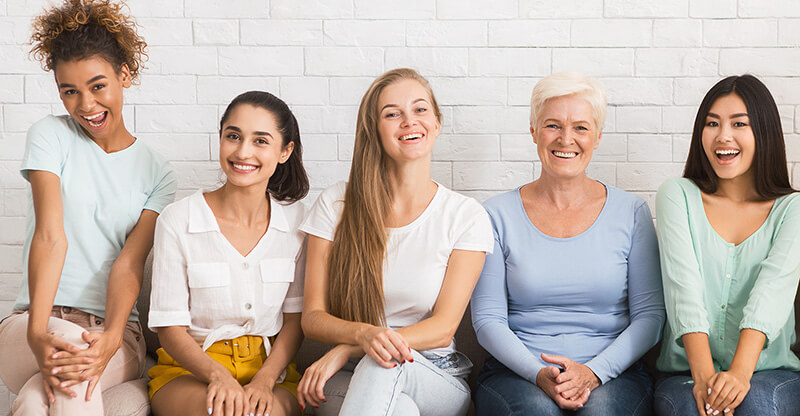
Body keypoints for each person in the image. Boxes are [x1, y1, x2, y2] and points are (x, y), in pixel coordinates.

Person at [0, 0, 176, 414]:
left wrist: (114, 334)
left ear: (124, 76)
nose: (86, 105)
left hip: (116, 331)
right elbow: (50, 235)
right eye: (70, 91)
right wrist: (39, 331)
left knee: (38, 397)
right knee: (71, 374)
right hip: (31, 320)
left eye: (98, 86)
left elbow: (130, 263)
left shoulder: (157, 172)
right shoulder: (50, 136)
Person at [296, 68, 494, 416]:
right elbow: (312, 317)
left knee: (382, 363)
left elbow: (443, 327)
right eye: (392, 113)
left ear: (436, 123)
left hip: (434, 375)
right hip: (345, 378)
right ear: (374, 129)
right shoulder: (336, 205)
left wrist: (353, 346)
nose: (408, 121)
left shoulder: (465, 215)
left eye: (419, 110)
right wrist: (363, 338)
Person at [471, 71, 665, 416]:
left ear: (598, 136)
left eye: (580, 127)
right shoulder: (495, 214)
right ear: (533, 131)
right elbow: (488, 320)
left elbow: (649, 317)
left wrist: (593, 373)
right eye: (552, 125)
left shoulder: (631, 212)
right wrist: (537, 373)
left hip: (612, 375)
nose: (566, 139)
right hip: (516, 374)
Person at [147, 91, 309, 416]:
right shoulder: (178, 220)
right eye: (233, 136)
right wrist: (217, 376)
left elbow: (294, 322)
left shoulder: (298, 223)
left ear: (285, 151)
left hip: (269, 372)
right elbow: (169, 329)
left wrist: (265, 380)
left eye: (260, 141)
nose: (242, 151)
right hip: (189, 371)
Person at [653, 75, 800, 416]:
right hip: (685, 374)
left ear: (763, 133)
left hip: (768, 372)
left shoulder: (792, 209)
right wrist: (706, 379)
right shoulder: (678, 195)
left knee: (759, 405)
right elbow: (683, 289)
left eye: (739, 124)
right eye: (712, 123)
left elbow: (772, 292)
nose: (723, 136)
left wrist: (738, 375)